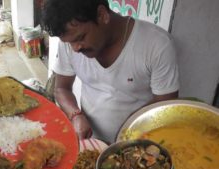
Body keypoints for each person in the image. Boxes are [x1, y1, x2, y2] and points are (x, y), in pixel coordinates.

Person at [41, 0, 179, 144]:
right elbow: (61, 88)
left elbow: (165, 105)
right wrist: (76, 115)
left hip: (137, 145)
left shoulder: (157, 45)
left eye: (81, 38)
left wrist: (128, 130)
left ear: (102, 15)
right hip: (90, 142)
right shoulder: (71, 43)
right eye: (69, 42)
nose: (75, 48)